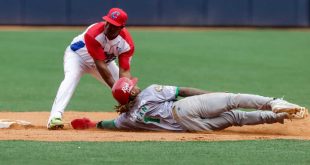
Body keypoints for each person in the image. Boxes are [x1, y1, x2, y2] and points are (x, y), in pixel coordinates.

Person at [71, 77, 308, 132]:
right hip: (185, 108)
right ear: (131, 91)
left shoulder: (127, 120)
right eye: (132, 85)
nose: (135, 85)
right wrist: (214, 95)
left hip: (190, 127)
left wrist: (93, 124)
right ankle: (275, 104)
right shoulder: (151, 92)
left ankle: (279, 117)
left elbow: (109, 124)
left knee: (236, 118)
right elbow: (184, 91)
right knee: (232, 100)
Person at [47, 8, 135, 129]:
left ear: (121, 28)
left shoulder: (126, 44)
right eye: (108, 22)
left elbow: (124, 71)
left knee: (128, 89)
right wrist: (119, 95)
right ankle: (54, 117)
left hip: (105, 62)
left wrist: (125, 95)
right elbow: (101, 65)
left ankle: (135, 117)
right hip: (77, 57)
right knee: (71, 77)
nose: (109, 27)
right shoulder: (94, 33)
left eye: (114, 25)